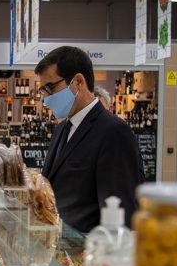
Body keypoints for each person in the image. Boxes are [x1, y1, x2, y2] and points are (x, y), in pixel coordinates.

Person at [35, 46, 144, 233]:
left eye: (50, 88)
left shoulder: (113, 132)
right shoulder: (62, 128)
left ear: (78, 82)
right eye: (42, 90)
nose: (45, 98)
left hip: (87, 247)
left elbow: (121, 213)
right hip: (59, 244)